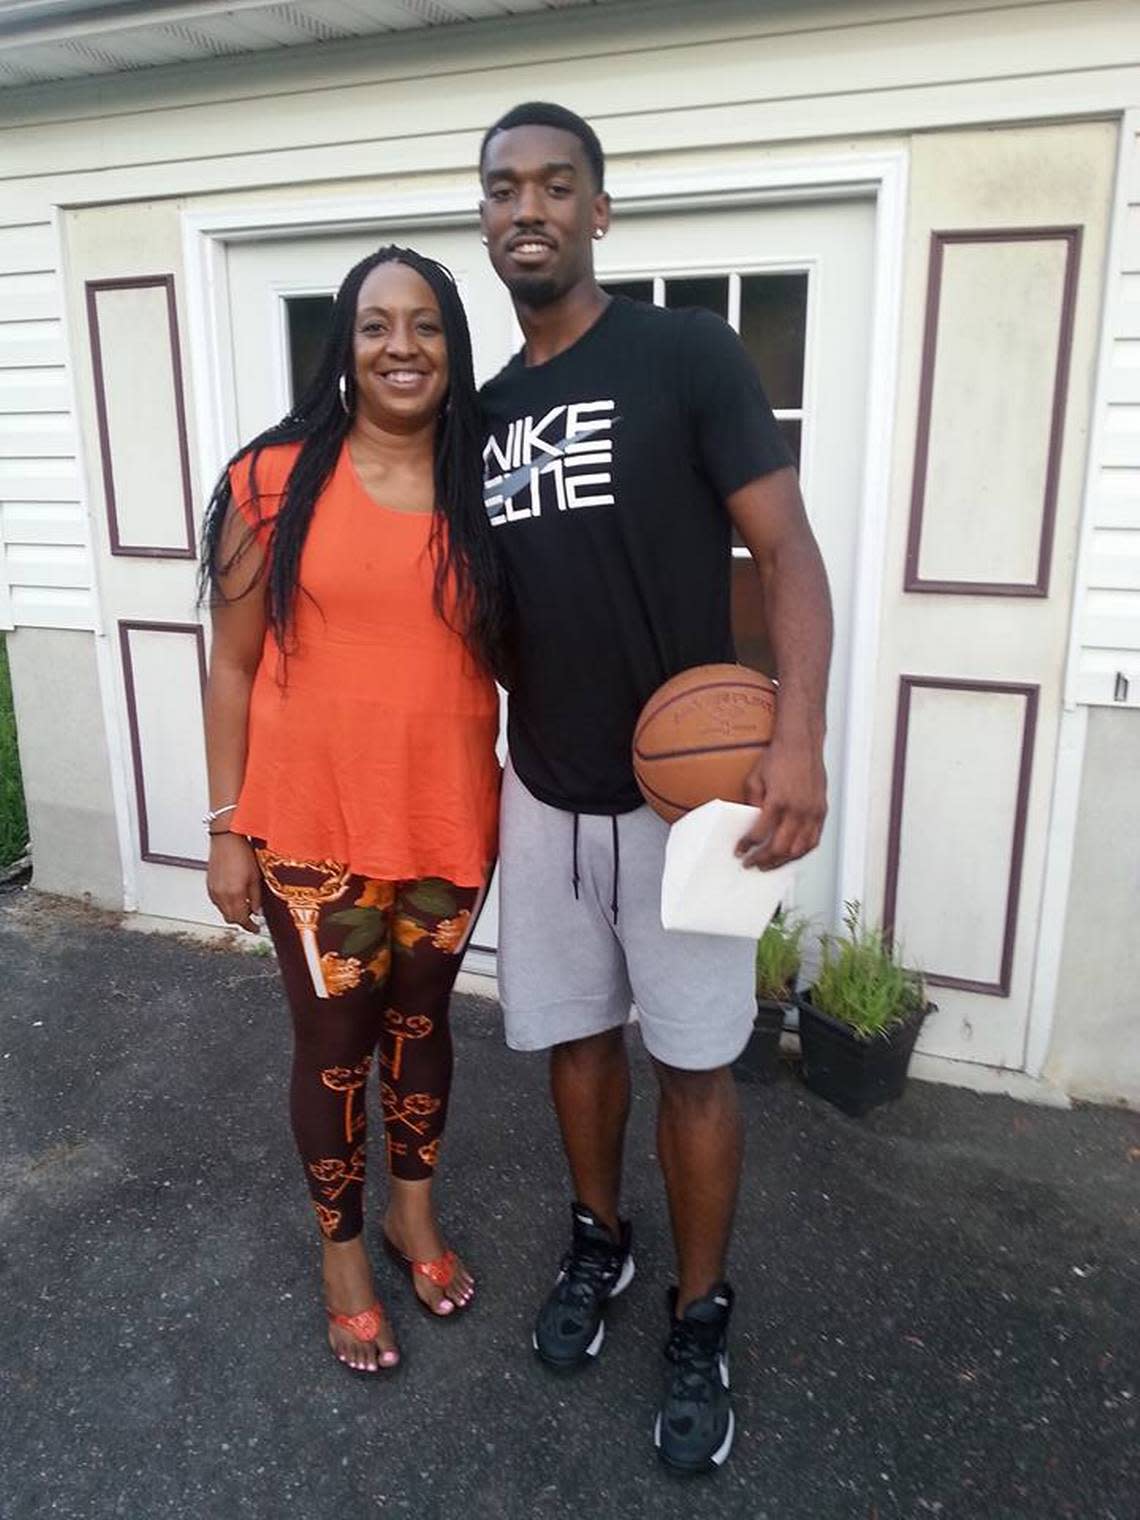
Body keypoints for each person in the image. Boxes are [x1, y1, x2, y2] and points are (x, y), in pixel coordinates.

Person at [478, 103, 832, 1472]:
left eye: (558, 185)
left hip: (687, 808)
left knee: (694, 1064)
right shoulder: (487, 413)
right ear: (487, 218)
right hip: (545, 792)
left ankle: (699, 1313)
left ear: (600, 212)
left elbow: (789, 551)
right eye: (506, 187)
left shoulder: (685, 354)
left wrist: (794, 737)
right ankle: (599, 1247)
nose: (531, 208)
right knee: (576, 1043)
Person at [200, 245, 504, 1375]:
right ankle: (341, 1257)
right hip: (312, 828)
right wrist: (228, 822)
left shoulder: (491, 477)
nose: (402, 346)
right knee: (336, 1045)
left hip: (449, 816)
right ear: (344, 345)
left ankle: (411, 1215)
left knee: (423, 1025)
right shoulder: (272, 479)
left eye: (425, 325)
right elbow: (232, 662)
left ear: (452, 345)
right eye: (376, 325)